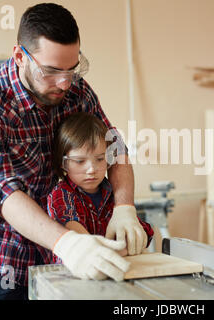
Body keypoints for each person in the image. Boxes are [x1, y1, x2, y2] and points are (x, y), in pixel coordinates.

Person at [0, 3, 147, 300]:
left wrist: (124, 208)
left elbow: (115, 147)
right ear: (19, 56)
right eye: (52, 71)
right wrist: (68, 244)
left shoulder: (77, 91)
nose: (64, 83)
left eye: (72, 69)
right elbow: (1, 191)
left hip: (56, 241)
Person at [47, 112, 154, 278]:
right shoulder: (62, 194)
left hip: (111, 274)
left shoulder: (114, 193)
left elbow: (141, 232)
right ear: (63, 163)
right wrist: (121, 247)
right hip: (72, 277)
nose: (92, 169)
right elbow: (78, 238)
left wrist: (134, 235)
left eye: (99, 159)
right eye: (80, 161)